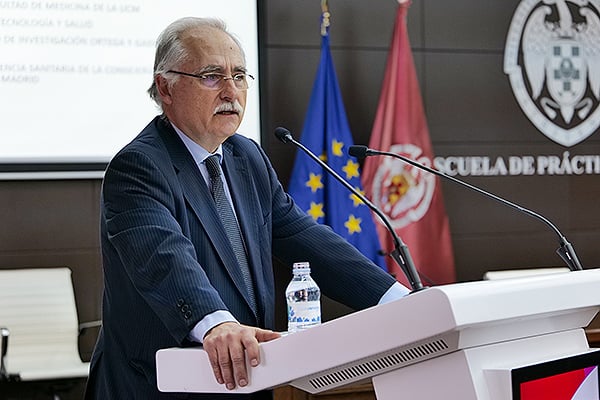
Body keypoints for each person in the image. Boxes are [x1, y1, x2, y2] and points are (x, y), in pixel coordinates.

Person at [85, 16, 410, 400]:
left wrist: (398, 300)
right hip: (157, 387)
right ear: (165, 88)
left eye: (239, 76)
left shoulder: (246, 157)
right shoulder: (139, 167)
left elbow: (303, 237)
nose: (231, 91)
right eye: (211, 75)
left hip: (243, 379)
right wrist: (215, 324)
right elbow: (163, 257)